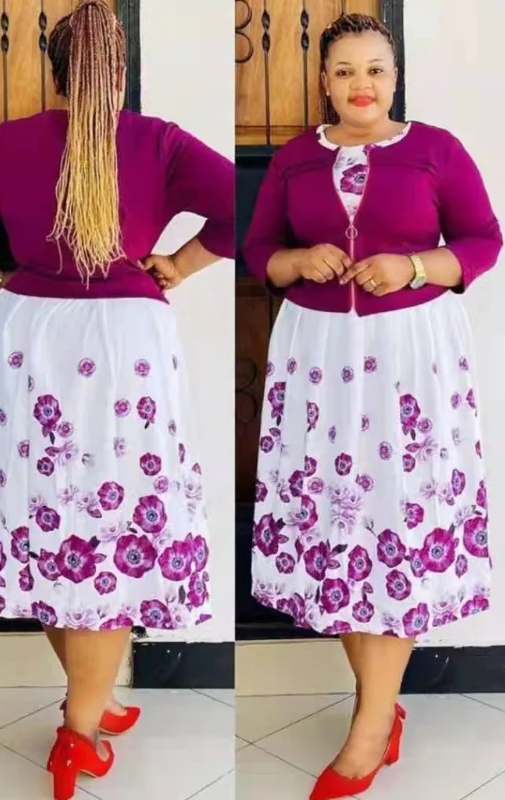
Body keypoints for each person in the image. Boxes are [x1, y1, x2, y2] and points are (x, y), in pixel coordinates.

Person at [0, 1, 234, 797]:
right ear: (121, 71)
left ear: (53, 71)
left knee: (50, 521)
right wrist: (181, 263)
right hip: (123, 347)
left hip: (25, 339)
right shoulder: (156, 141)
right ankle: (80, 731)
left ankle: (92, 702)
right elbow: (248, 203)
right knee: (109, 529)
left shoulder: (2, 144)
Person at [242, 13, 502, 800]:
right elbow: (259, 252)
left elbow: (483, 240)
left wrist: (415, 265)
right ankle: (380, 710)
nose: (362, 84)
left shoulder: (437, 150)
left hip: (410, 360)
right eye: (346, 70)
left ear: (395, 77)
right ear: (324, 81)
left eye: (376, 69)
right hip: (318, 359)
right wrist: (296, 259)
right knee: (340, 524)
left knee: (396, 517)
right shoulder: (294, 158)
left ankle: (369, 723)